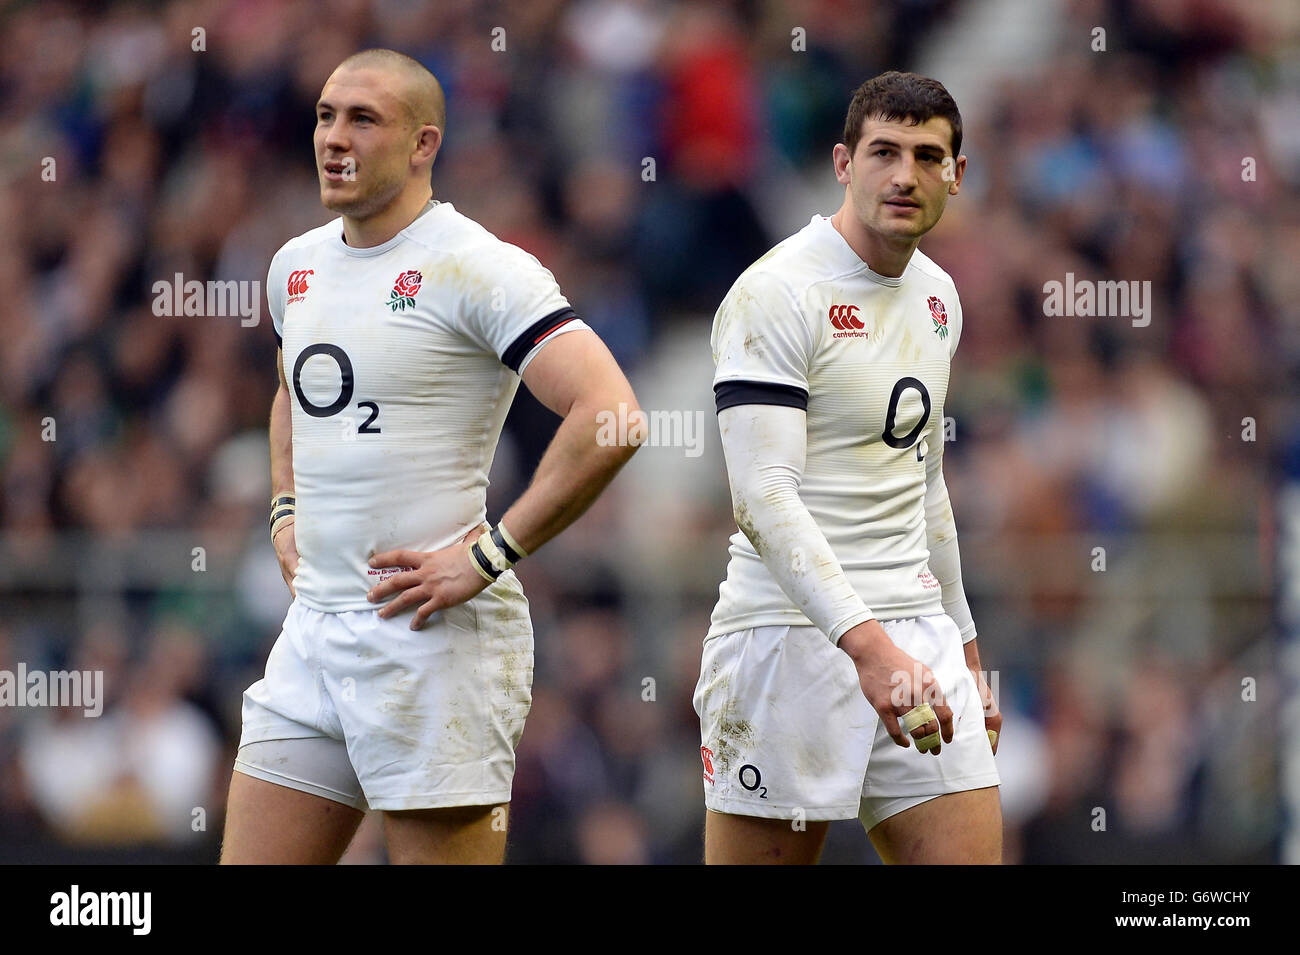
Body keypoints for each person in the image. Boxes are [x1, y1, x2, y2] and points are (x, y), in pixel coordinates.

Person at [220, 49, 641, 864]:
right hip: (314, 630)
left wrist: (488, 556)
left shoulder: (479, 267)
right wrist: (282, 508)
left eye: (363, 119)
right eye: (325, 116)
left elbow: (613, 415)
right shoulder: (294, 266)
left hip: (431, 636)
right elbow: (290, 389)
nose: (334, 139)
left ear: (423, 144)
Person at [695, 71, 1002, 864]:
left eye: (928, 156)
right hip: (788, 638)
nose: (904, 175)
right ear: (842, 162)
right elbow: (762, 496)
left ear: (957, 176)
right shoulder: (776, 292)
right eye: (884, 152)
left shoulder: (940, 298)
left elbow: (924, 483)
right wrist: (868, 647)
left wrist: (963, 648)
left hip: (915, 629)